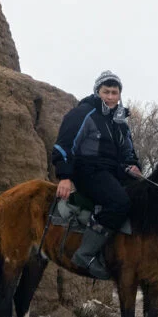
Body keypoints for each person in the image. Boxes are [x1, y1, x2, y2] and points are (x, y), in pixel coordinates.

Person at [52, 70, 143, 279]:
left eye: (115, 92)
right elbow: (64, 145)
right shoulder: (84, 113)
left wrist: (132, 166)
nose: (111, 97)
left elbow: (128, 152)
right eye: (106, 92)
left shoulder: (120, 122)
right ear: (97, 91)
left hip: (112, 172)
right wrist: (64, 176)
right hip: (87, 170)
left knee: (143, 196)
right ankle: (85, 254)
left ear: (120, 94)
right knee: (119, 202)